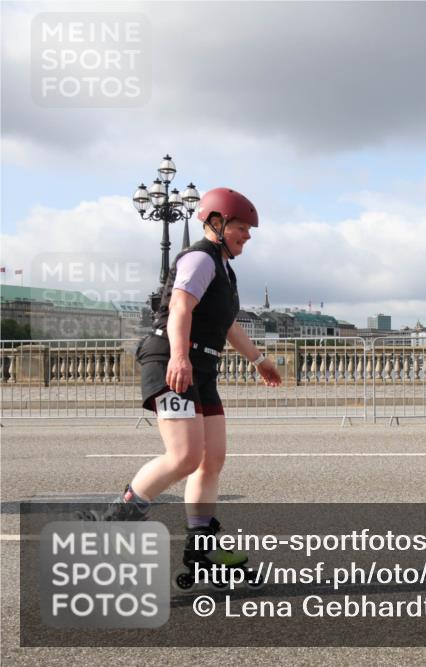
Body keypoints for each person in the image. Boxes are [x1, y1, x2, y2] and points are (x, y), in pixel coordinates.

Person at [82, 187, 281, 575]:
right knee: (185, 457)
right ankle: (111, 525)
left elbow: (226, 325)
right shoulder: (199, 259)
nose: (249, 235)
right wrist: (178, 356)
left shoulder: (224, 268)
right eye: (242, 227)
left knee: (212, 460)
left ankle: (201, 546)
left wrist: (258, 359)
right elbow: (179, 307)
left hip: (202, 366)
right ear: (217, 223)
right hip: (173, 359)